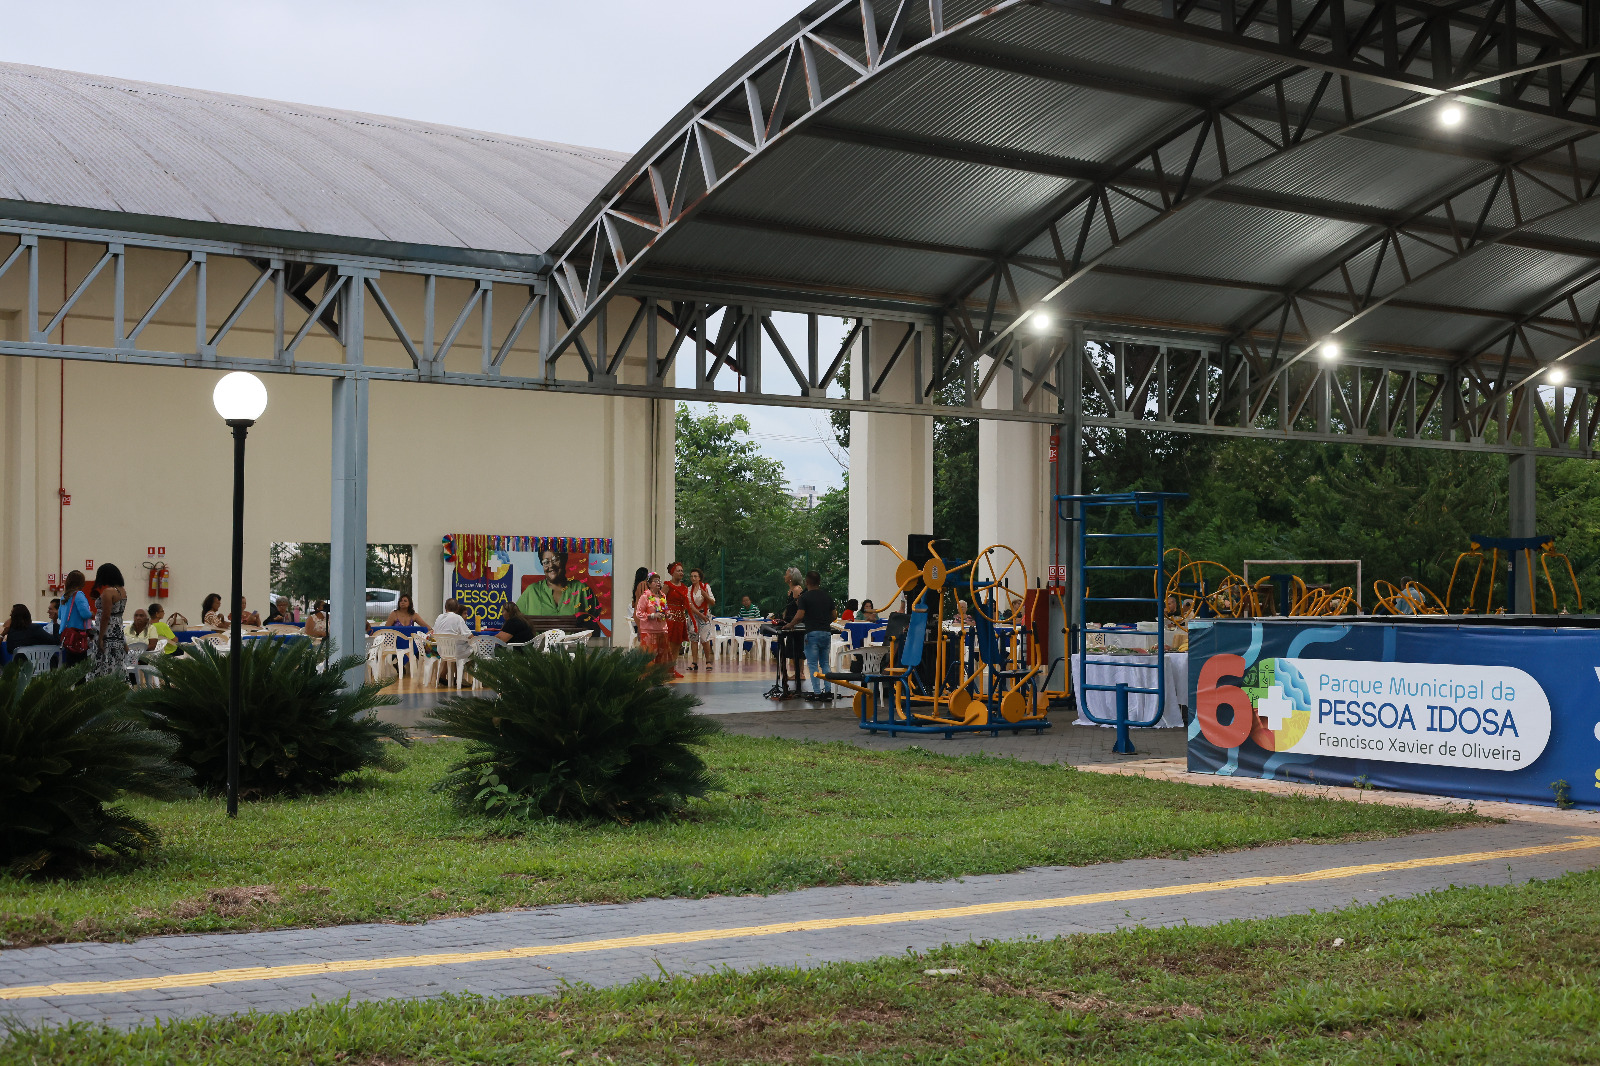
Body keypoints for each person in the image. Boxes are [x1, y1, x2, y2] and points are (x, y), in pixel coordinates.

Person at [786, 571, 835, 700]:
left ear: (807, 582)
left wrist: (790, 625)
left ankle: (817, 692)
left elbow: (800, 615)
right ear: (819, 582)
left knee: (813, 664)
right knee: (825, 663)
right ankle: (828, 691)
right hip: (826, 632)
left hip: (812, 633)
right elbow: (834, 615)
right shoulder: (827, 596)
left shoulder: (805, 597)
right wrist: (825, 622)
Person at [515, 547, 598, 620]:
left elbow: (595, 623)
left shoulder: (581, 589)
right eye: (546, 562)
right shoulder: (532, 591)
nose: (551, 565)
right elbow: (515, 622)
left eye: (556, 560)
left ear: (564, 560)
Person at [88, 563, 128, 681]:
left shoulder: (108, 592)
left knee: (102, 662)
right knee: (116, 662)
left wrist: (100, 637)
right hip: (117, 631)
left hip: (107, 632)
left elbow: (106, 615)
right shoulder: (122, 591)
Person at [776, 567, 805, 696]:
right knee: (792, 648)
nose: (784, 576)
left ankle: (801, 672)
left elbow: (800, 607)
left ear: (792, 577)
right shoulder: (790, 591)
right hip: (789, 622)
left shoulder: (797, 590)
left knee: (797, 647)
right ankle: (796, 672)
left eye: (786, 574)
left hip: (796, 624)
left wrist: (794, 621)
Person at [634, 572, 672, 669]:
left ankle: (660, 678)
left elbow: (665, 610)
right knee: (649, 657)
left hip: (662, 630)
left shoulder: (662, 596)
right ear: (649, 584)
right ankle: (647, 678)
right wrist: (652, 615)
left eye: (659, 581)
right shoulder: (645, 597)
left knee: (662, 656)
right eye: (655, 581)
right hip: (649, 631)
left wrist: (667, 614)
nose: (658, 583)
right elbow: (639, 613)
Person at [58, 570, 94, 668]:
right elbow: (85, 614)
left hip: (66, 636)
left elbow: (60, 616)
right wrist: (92, 613)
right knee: (80, 669)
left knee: (69, 667)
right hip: (78, 636)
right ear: (81, 582)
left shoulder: (64, 597)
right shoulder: (78, 595)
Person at [662, 562, 691, 679]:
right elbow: (661, 601)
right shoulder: (667, 585)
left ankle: (671, 669)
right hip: (670, 618)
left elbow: (687, 604)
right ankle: (663, 669)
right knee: (667, 645)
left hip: (680, 618)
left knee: (677, 645)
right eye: (678, 570)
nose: (681, 573)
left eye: (682, 571)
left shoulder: (684, 588)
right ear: (672, 572)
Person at [687, 566, 716, 671]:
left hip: (705, 614)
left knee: (705, 639)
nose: (693, 578)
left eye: (695, 576)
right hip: (694, 615)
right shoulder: (689, 589)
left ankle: (708, 661)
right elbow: (689, 605)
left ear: (699, 578)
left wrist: (705, 595)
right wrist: (699, 615)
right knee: (693, 639)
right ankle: (694, 662)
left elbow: (712, 602)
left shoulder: (705, 587)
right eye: (691, 576)